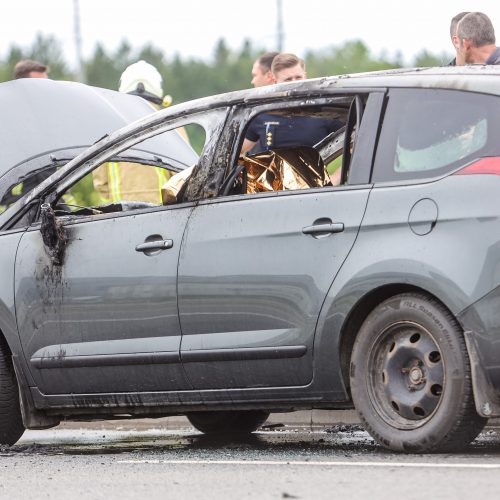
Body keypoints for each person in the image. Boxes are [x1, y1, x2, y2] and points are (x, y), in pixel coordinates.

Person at [92, 61, 177, 205]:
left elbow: (101, 183)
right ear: (157, 89)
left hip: (120, 217)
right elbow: (183, 176)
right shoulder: (173, 125)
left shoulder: (107, 128)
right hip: (164, 215)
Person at [241, 53, 343, 155]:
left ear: (305, 76)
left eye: (298, 77)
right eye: (288, 80)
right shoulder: (262, 113)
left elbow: (354, 146)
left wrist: (338, 171)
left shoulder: (325, 111)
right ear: (275, 81)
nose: (295, 84)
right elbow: (238, 151)